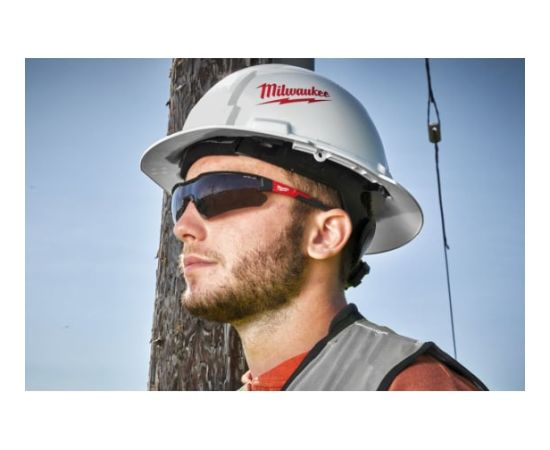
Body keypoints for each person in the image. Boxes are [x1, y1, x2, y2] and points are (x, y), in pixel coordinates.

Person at [141, 63, 488, 391]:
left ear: (325, 234)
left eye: (220, 194)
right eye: (181, 200)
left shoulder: (415, 388)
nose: (183, 227)